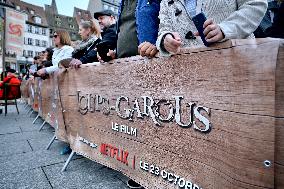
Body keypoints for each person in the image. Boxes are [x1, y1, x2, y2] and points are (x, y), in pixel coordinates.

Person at [156, 0, 268, 56]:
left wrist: (225, 30)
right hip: (191, 78)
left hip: (239, 65)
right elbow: (164, 28)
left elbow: (255, 4)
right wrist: (165, 40)